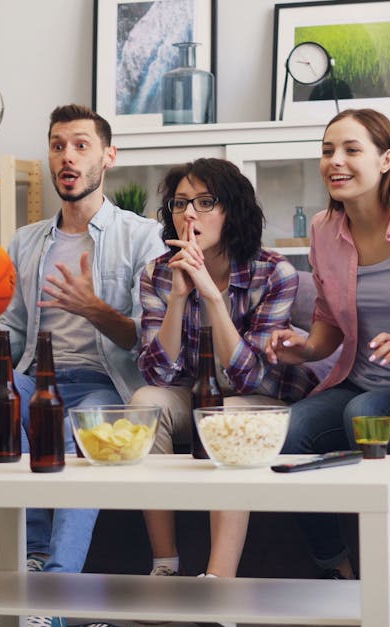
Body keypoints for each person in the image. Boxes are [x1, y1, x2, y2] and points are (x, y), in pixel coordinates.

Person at [0, 104, 164, 625]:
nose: (67, 156)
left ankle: (55, 590)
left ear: (108, 156)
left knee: (92, 425)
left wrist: (93, 308)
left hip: (106, 383)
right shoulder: (27, 242)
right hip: (40, 379)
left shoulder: (142, 236)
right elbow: (8, 340)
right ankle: (31, 557)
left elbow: (150, 340)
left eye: (81, 145)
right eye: (58, 145)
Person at [266, 108, 390, 579]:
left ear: (387, 159)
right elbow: (330, 318)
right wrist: (306, 348)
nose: (336, 161)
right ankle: (339, 569)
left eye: (352, 150)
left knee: (364, 415)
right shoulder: (323, 230)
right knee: (288, 432)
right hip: (358, 379)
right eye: (328, 150)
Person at [132, 158, 315, 580]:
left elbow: (248, 376)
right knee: (145, 405)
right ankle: (164, 565)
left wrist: (212, 296)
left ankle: (218, 582)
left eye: (204, 202)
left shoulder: (274, 273)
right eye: (179, 204)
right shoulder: (157, 274)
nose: (188, 214)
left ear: (231, 210)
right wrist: (179, 296)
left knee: (227, 414)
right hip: (192, 391)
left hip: (262, 397)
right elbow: (157, 375)